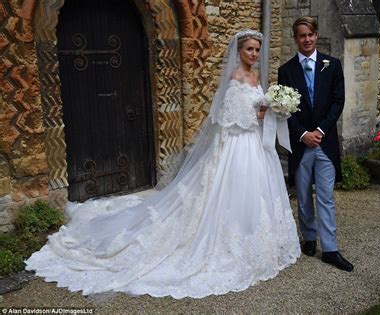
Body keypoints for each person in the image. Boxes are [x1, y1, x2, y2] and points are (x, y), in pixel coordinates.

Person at [26, 30, 301, 298]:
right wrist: (269, 109)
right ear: (238, 51)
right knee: (230, 196)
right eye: (249, 49)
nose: (253, 54)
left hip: (254, 146)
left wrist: (273, 109)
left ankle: (256, 243)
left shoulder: (255, 76)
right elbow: (230, 119)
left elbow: (255, 112)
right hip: (237, 147)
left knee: (256, 197)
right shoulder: (235, 77)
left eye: (256, 49)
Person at [278, 16, 353, 272]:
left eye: (310, 34)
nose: (306, 39)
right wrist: (302, 135)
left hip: (325, 143)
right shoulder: (286, 71)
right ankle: (309, 237)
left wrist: (319, 131)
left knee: (325, 196)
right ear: (295, 38)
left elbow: (337, 102)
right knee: (302, 195)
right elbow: (284, 110)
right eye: (301, 35)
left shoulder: (332, 65)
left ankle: (330, 249)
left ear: (316, 35)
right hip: (301, 144)